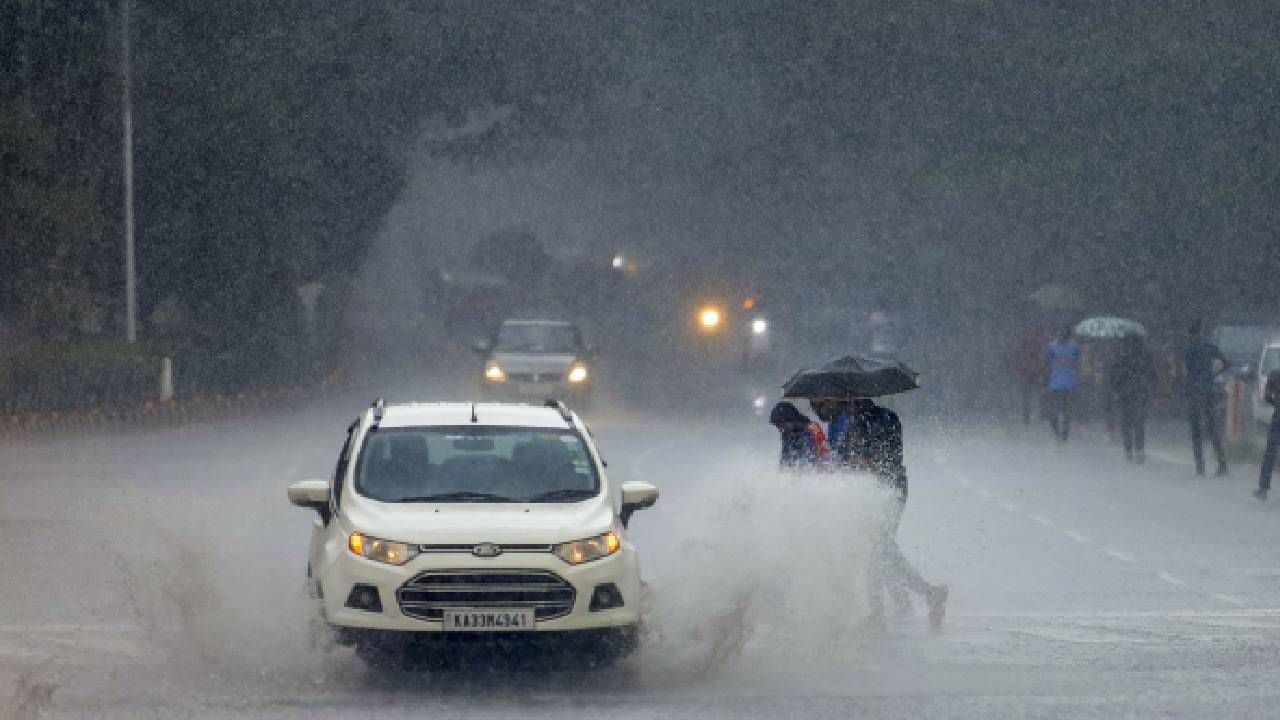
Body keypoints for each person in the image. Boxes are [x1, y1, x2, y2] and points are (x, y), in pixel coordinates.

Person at [814, 397, 948, 629]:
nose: (819, 412)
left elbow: (877, 458)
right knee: (878, 549)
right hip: (888, 488)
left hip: (885, 490)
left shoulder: (866, 422)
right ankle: (904, 600)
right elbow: (853, 457)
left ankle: (918, 596)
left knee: (878, 548)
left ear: (843, 403)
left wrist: (859, 461)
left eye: (821, 406)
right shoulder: (880, 418)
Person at [1183, 321, 1230, 476]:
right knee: (1212, 428)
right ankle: (1222, 463)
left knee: (1196, 430)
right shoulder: (1209, 346)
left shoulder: (1189, 348)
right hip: (1209, 390)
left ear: (1190, 333)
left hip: (1194, 391)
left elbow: (1185, 369)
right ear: (1201, 331)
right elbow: (1226, 363)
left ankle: (1200, 467)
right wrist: (1213, 375)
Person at [1108, 333, 1158, 463]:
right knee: (1139, 422)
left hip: (1125, 393)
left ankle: (1128, 449)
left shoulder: (1122, 356)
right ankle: (1139, 449)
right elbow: (1152, 374)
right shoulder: (1146, 356)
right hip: (1141, 391)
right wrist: (1153, 389)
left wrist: (1116, 389)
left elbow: (1114, 374)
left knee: (1126, 422)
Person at [1043, 326, 1081, 444]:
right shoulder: (1073, 347)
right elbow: (1078, 362)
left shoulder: (1052, 347)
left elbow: (1045, 361)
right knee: (1064, 412)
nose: (1061, 338)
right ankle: (1062, 435)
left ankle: (1060, 435)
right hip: (1064, 384)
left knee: (1055, 412)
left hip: (1058, 384)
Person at [769, 401, 828, 468]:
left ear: (791, 419)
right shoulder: (787, 433)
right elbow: (785, 458)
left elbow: (821, 455)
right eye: (777, 426)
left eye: (782, 425)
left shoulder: (812, 429)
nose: (780, 429)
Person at [1254, 370, 1280, 500]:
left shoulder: (1275, 375)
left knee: (1270, 453)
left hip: (1278, 418)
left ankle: (1263, 488)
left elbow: (1267, 396)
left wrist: (1276, 404)